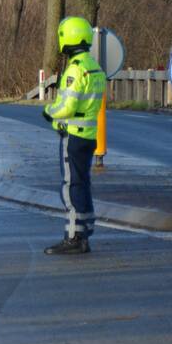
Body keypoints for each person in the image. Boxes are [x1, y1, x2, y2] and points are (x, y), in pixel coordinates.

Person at [42, 16, 107, 255]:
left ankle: (74, 237)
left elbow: (67, 106)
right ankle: (85, 230)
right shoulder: (95, 68)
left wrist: (49, 112)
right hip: (89, 136)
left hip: (73, 137)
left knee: (71, 186)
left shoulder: (75, 70)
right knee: (83, 184)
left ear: (66, 38)